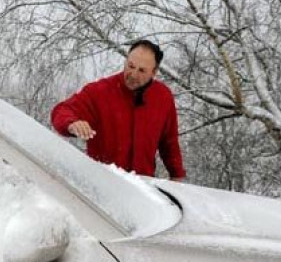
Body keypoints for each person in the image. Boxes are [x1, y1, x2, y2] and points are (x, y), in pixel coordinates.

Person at [51, 40, 186, 181]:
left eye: (141, 70)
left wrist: (177, 176)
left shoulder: (163, 97)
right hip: (101, 184)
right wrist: (71, 123)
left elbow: (169, 142)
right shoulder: (100, 92)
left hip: (144, 188)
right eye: (131, 66)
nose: (133, 75)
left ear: (154, 72)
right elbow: (61, 111)